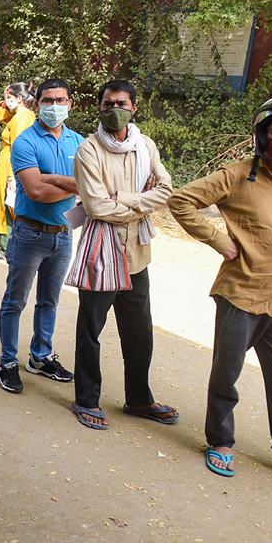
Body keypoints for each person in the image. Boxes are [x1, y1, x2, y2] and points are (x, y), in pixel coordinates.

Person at [168, 93, 272, 493]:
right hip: (240, 294)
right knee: (227, 374)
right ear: (262, 135)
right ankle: (221, 442)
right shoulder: (238, 175)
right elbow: (181, 200)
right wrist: (218, 240)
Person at [69, 79, 177, 430]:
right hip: (102, 253)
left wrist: (124, 199)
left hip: (137, 256)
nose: (114, 110)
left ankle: (139, 399)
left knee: (139, 333)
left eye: (121, 103)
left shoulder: (144, 146)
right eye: (107, 103)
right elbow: (97, 206)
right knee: (91, 330)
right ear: (99, 107)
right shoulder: (88, 150)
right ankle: (86, 399)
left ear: (134, 108)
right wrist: (139, 203)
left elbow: (166, 188)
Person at [0, 78, 82, 395]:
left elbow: (92, 191)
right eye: (48, 100)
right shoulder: (26, 142)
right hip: (29, 233)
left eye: (60, 100)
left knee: (50, 300)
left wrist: (56, 185)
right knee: (14, 301)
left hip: (63, 236)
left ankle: (40, 356)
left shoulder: (79, 142)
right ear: (38, 103)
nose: (54, 106)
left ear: (70, 103)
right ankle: (7, 362)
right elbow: (35, 190)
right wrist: (72, 183)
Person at [0, 82, 36, 259]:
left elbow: (19, 147)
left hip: (11, 165)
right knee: (8, 204)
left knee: (6, 204)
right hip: (9, 164)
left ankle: (8, 249)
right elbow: (2, 116)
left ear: (19, 99)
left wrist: (13, 176)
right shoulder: (23, 115)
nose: (6, 102)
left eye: (9, 98)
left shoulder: (22, 118)